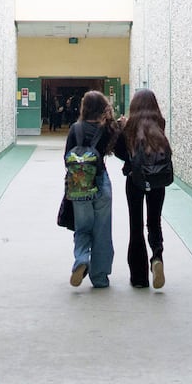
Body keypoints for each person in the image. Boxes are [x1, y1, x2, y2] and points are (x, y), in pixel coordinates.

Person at [114, 88, 173, 289]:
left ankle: (139, 278)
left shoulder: (130, 126)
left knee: (136, 226)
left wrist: (121, 129)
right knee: (154, 222)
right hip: (157, 180)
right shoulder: (160, 123)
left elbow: (120, 152)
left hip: (135, 180)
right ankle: (157, 257)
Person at [64, 90, 118, 288]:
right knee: (102, 231)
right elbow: (118, 149)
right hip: (101, 182)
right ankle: (100, 278)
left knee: (83, 228)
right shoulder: (107, 128)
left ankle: (81, 260)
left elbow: (66, 158)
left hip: (79, 186)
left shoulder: (75, 128)